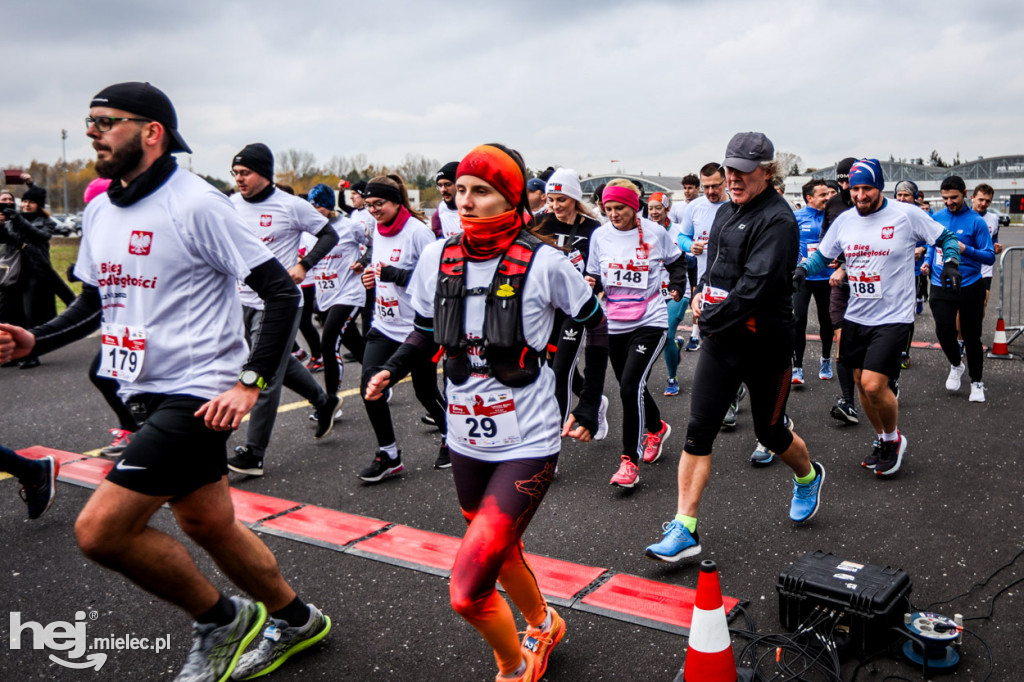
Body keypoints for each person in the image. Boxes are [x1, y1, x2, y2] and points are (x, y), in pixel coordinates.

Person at [0, 81, 331, 681]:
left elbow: (280, 292)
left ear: (152, 131)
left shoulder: (199, 204)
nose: (94, 130)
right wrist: (37, 338)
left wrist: (250, 383)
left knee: (100, 532)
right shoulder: (100, 208)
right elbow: (96, 302)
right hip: (145, 393)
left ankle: (221, 619)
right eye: (90, 120)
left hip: (199, 392)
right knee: (208, 523)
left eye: (106, 120)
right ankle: (297, 618)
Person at [364, 143, 603, 681]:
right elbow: (426, 332)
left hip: (529, 440)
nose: (466, 202)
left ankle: (515, 664)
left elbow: (595, 319)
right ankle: (544, 622)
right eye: (462, 191)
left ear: (511, 198)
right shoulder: (437, 257)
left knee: (468, 592)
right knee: (501, 545)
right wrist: (392, 368)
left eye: (482, 192)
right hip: (466, 437)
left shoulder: (546, 262)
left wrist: (587, 401)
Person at [645, 132, 823, 563]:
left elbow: (754, 290)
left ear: (768, 171)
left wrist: (705, 318)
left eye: (744, 171)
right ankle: (684, 528)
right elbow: (719, 271)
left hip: (766, 346)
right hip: (723, 342)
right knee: (697, 432)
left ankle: (808, 476)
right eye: (729, 170)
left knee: (770, 432)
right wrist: (701, 295)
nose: (734, 179)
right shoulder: (725, 211)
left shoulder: (779, 222)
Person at [795, 159, 962, 475]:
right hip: (857, 313)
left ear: (880, 186)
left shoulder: (905, 214)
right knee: (859, 381)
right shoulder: (845, 221)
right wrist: (803, 270)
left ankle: (894, 438)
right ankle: (885, 438)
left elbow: (946, 238)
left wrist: (951, 261)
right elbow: (822, 256)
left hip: (894, 315)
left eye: (867, 188)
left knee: (873, 385)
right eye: (855, 188)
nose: (860, 195)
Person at [226, 143, 341, 477]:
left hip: (279, 303)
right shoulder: (230, 205)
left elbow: (329, 235)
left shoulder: (291, 206)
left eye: (245, 173)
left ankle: (254, 454)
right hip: (240, 300)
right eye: (235, 173)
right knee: (278, 361)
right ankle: (324, 402)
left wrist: (305, 265)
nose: (239, 179)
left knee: (261, 374)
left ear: (264, 173)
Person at [587, 179, 686, 488]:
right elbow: (594, 275)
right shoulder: (600, 236)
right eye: (608, 209)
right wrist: (590, 285)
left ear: (634, 207)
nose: (613, 214)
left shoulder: (655, 233)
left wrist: (678, 286)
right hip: (613, 322)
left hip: (650, 320)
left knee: (629, 388)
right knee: (632, 385)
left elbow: (678, 261)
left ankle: (629, 461)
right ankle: (656, 427)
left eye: (619, 208)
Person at [358, 173, 449, 479]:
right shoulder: (377, 228)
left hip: (418, 329)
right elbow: (379, 272)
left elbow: (438, 284)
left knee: (425, 391)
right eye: (369, 204)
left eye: (378, 203)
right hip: (384, 325)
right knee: (370, 388)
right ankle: (389, 454)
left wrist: (395, 275)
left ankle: (452, 437)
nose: (373, 210)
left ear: (396, 202)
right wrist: (368, 279)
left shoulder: (417, 233)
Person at [534, 167, 609, 442]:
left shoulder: (593, 229)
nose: (555, 206)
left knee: (560, 371)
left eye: (562, 200)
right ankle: (596, 402)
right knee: (546, 368)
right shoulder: (538, 223)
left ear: (575, 199)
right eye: (551, 200)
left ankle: (551, 445)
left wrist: (594, 283)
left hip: (576, 308)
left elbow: (603, 268)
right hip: (545, 307)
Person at [924, 175, 994, 402]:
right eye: (944, 198)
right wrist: (927, 259)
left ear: (965, 193)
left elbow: (990, 256)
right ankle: (956, 364)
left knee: (972, 336)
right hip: (939, 283)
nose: (948, 202)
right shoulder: (938, 216)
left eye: (953, 197)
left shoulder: (976, 222)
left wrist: (966, 250)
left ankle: (977, 382)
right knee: (943, 331)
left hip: (969, 284)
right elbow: (932, 244)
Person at [0, 181, 76, 368]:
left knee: (32, 315)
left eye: (31, 202)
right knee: (12, 314)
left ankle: (32, 354)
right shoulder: (13, 219)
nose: (26, 205)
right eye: (24, 201)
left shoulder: (46, 222)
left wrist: (17, 220)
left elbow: (39, 236)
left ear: (39, 205)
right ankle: (16, 354)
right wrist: (2, 225)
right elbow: (9, 239)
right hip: (16, 272)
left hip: (37, 272)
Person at [306, 183, 367, 407]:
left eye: (318, 206)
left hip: (349, 293)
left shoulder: (350, 226)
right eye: (310, 206)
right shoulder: (309, 230)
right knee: (357, 346)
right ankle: (380, 380)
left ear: (328, 206)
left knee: (328, 343)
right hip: (325, 296)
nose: (313, 211)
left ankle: (329, 402)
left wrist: (363, 262)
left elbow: (373, 245)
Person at [822, 157, 860, 425]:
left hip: (872, 285)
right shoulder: (834, 205)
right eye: (842, 181)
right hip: (841, 283)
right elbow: (827, 241)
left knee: (872, 344)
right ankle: (849, 402)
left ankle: (888, 380)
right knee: (842, 342)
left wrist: (845, 266)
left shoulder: (874, 205)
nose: (846, 185)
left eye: (850, 180)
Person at [678, 164, 730, 354]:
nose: (710, 191)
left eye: (715, 186)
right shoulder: (695, 207)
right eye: (706, 186)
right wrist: (690, 246)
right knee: (710, 338)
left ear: (726, 182)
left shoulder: (736, 204)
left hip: (733, 281)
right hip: (705, 281)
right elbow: (682, 236)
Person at [791, 179, 835, 385]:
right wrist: (796, 260)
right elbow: (787, 242)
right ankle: (797, 366)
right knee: (798, 320)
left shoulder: (832, 216)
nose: (828, 197)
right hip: (803, 278)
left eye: (828, 194)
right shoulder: (797, 217)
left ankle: (825, 360)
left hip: (826, 277)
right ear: (809, 198)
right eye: (823, 194)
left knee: (827, 321)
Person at [647, 191, 690, 396]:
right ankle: (676, 345)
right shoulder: (644, 231)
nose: (654, 212)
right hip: (655, 290)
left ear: (667, 209)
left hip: (679, 290)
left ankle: (672, 378)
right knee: (664, 337)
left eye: (658, 208)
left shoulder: (678, 231)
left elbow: (689, 260)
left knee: (668, 332)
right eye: (651, 208)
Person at [971, 183, 1002, 310]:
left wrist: (996, 247)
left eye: (987, 201)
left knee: (981, 306)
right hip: (966, 268)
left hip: (985, 269)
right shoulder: (963, 216)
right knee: (962, 309)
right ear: (972, 198)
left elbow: (993, 238)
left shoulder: (994, 218)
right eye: (981, 200)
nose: (984, 204)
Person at [432, 161, 463, 238]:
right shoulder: (442, 207)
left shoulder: (473, 208)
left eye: (448, 184)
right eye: (440, 185)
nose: (443, 189)